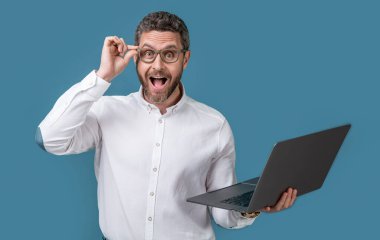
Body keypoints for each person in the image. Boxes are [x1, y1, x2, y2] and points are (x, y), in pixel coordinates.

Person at [36, 11, 297, 240]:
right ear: (136, 58)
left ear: (185, 59)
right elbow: (50, 139)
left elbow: (223, 214)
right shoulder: (106, 111)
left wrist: (256, 204)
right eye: (148, 53)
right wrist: (103, 76)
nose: (158, 65)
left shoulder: (214, 125)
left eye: (169, 54)